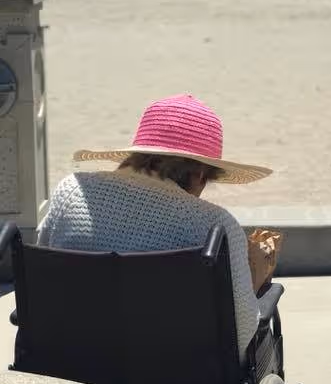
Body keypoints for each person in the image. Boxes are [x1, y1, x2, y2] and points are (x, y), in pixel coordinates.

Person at [37, 94, 277, 360]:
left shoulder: (71, 192)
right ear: (199, 175)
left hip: (72, 364)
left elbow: (41, 286)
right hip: (175, 383)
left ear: (136, 155)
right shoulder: (216, 227)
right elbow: (240, 334)